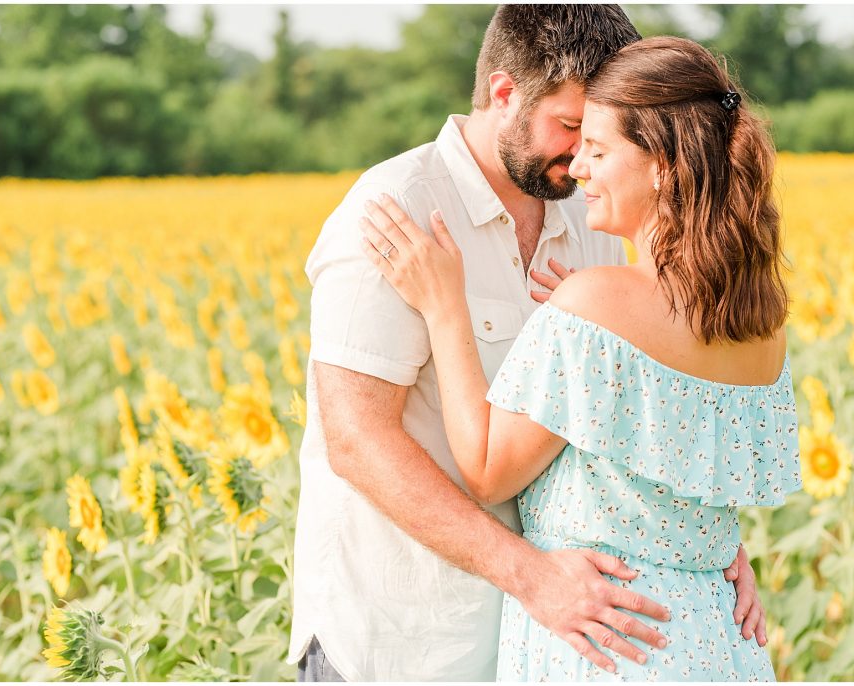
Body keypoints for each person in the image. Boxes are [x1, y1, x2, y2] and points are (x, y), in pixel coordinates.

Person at [289, 7, 768, 682]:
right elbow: (357, 440)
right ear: (506, 93)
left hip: (562, 641)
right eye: (570, 127)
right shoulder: (395, 209)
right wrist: (529, 576)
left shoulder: (594, 207)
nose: (579, 157)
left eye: (598, 138)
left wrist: (707, 546)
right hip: (409, 640)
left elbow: (643, 400)